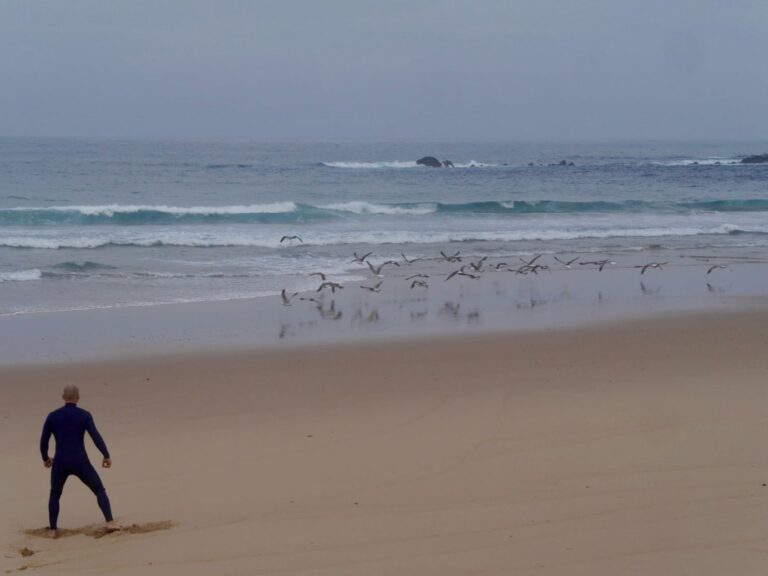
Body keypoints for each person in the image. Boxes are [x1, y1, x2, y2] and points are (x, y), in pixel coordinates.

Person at [40, 385, 120, 537]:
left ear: (63, 397)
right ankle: (110, 522)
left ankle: (52, 530)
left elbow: (44, 440)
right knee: (98, 489)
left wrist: (45, 458)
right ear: (78, 398)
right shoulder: (84, 415)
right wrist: (105, 454)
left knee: (55, 494)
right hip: (80, 461)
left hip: (60, 462)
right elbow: (95, 436)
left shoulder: (52, 416)